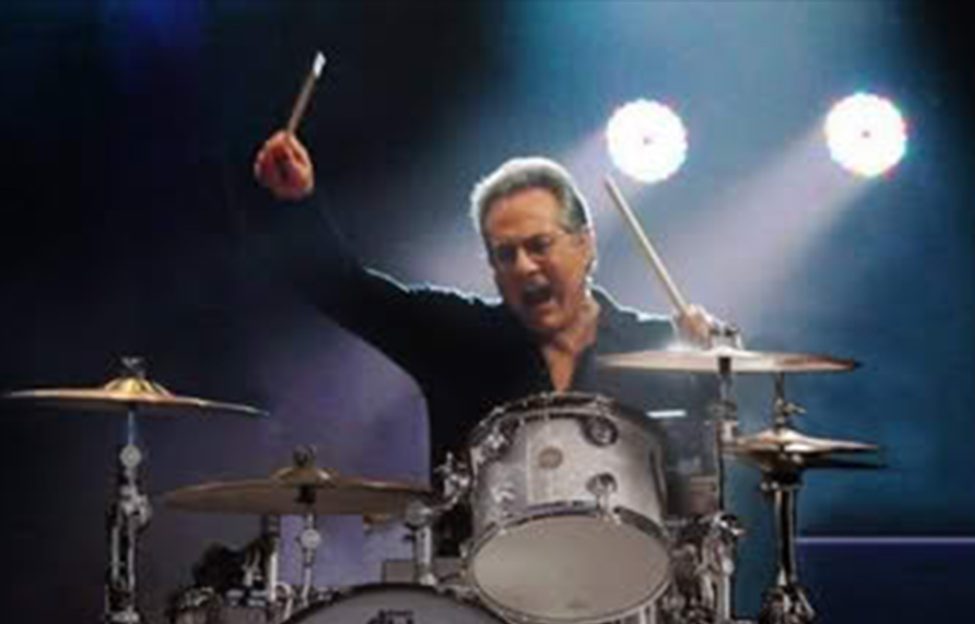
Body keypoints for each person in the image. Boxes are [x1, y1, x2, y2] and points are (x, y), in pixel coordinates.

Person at [249, 130, 724, 504]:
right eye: (504, 254)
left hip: (625, 586)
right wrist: (295, 203)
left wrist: (714, 363)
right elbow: (346, 291)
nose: (524, 267)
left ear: (585, 244)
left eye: (539, 245)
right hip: (477, 592)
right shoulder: (460, 339)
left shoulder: (660, 350)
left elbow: (714, 470)